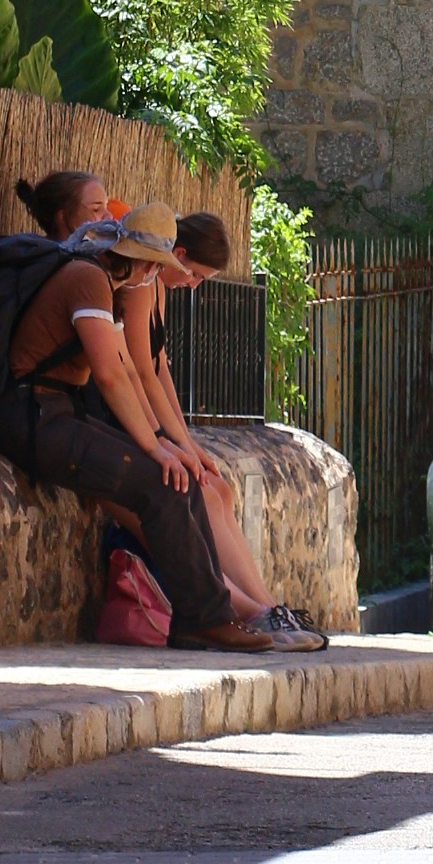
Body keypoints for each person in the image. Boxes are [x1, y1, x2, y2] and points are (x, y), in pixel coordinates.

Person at [0, 200, 279, 655]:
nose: (155, 277)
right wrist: (156, 450)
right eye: (154, 266)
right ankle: (206, 620)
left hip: (57, 412)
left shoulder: (106, 285)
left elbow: (130, 373)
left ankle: (212, 616)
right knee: (162, 483)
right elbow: (112, 375)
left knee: (180, 481)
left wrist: (166, 443)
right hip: (29, 416)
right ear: (138, 258)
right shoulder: (88, 280)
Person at [118, 210, 327, 647]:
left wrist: (186, 440)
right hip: (128, 424)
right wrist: (165, 439)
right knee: (200, 495)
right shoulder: (141, 287)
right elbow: (137, 371)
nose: (193, 285)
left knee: (220, 490)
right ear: (176, 256)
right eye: (194, 274)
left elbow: (160, 370)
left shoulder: (156, 287)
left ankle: (267, 605)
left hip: (151, 423)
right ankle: (255, 612)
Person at [16, 168, 110, 238]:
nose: (109, 216)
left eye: (106, 207)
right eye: (96, 209)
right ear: (62, 217)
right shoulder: (61, 261)